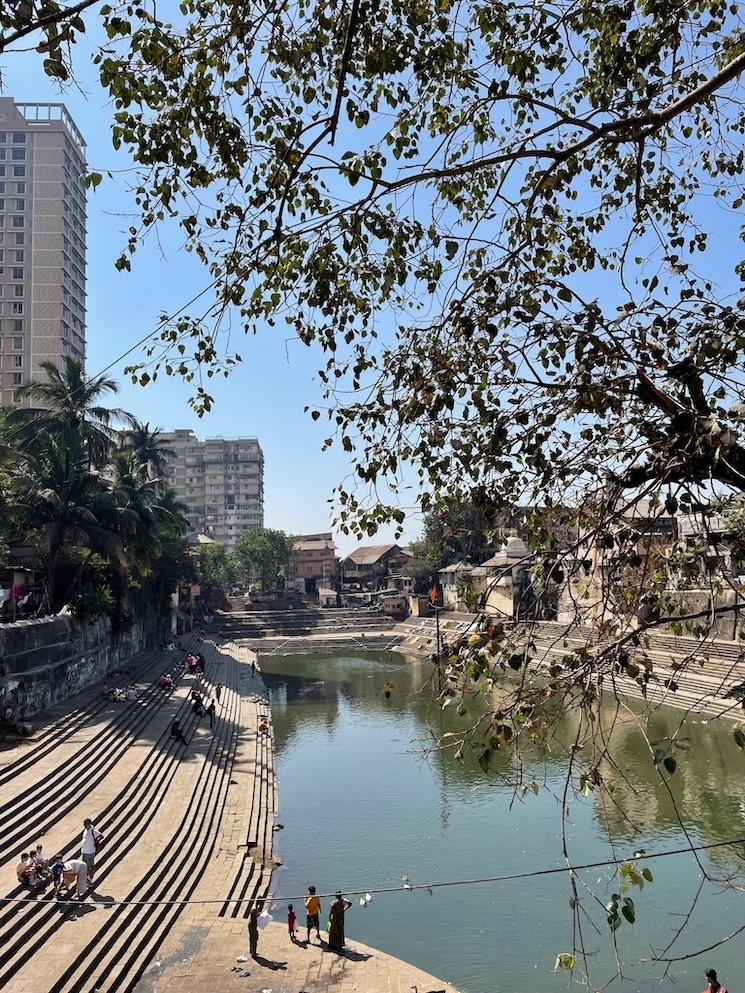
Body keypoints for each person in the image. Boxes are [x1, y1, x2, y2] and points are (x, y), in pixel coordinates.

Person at [81, 818, 104, 882]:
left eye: (85, 824)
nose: (84, 825)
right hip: (85, 851)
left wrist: (96, 841)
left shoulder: (93, 830)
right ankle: (88, 878)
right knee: (87, 866)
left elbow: (101, 836)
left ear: (88, 823)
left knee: (89, 866)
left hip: (90, 851)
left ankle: (89, 879)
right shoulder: (86, 830)